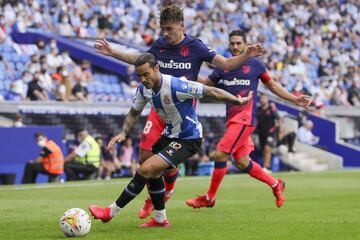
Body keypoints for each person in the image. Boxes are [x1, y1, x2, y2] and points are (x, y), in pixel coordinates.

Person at [94, 4, 263, 219]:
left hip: (182, 111)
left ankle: (164, 190)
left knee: (152, 165)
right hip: (159, 106)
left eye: (169, 29)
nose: (165, 34)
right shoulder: (159, 47)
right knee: (145, 158)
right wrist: (113, 52)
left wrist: (247, 55)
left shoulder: (196, 47)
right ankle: (159, 209)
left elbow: (227, 65)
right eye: (162, 29)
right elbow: (140, 61)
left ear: (181, 26)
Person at [88, 53, 253, 227]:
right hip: (169, 135)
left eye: (146, 74)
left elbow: (211, 91)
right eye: (139, 76)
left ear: (156, 69)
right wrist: (123, 132)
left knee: (146, 169)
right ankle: (160, 219)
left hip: (189, 138)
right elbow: (134, 112)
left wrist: (238, 101)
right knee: (148, 165)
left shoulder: (176, 85)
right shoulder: (144, 90)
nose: (143, 79)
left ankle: (110, 211)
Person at [185, 30, 311, 209]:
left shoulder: (256, 66)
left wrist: (295, 99)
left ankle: (209, 197)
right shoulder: (223, 67)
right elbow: (205, 84)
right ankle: (276, 184)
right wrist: (185, 72)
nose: (235, 47)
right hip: (232, 119)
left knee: (220, 153)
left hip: (245, 118)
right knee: (242, 161)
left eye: (238, 43)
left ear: (245, 45)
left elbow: (273, 87)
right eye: (232, 43)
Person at [256, 94, 280, 172]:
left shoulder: (271, 109)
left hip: (271, 132)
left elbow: (279, 119)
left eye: (264, 98)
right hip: (261, 133)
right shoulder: (258, 109)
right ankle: (268, 166)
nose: (263, 100)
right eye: (261, 98)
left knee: (267, 147)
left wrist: (279, 130)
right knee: (263, 150)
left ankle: (266, 167)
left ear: (267, 99)